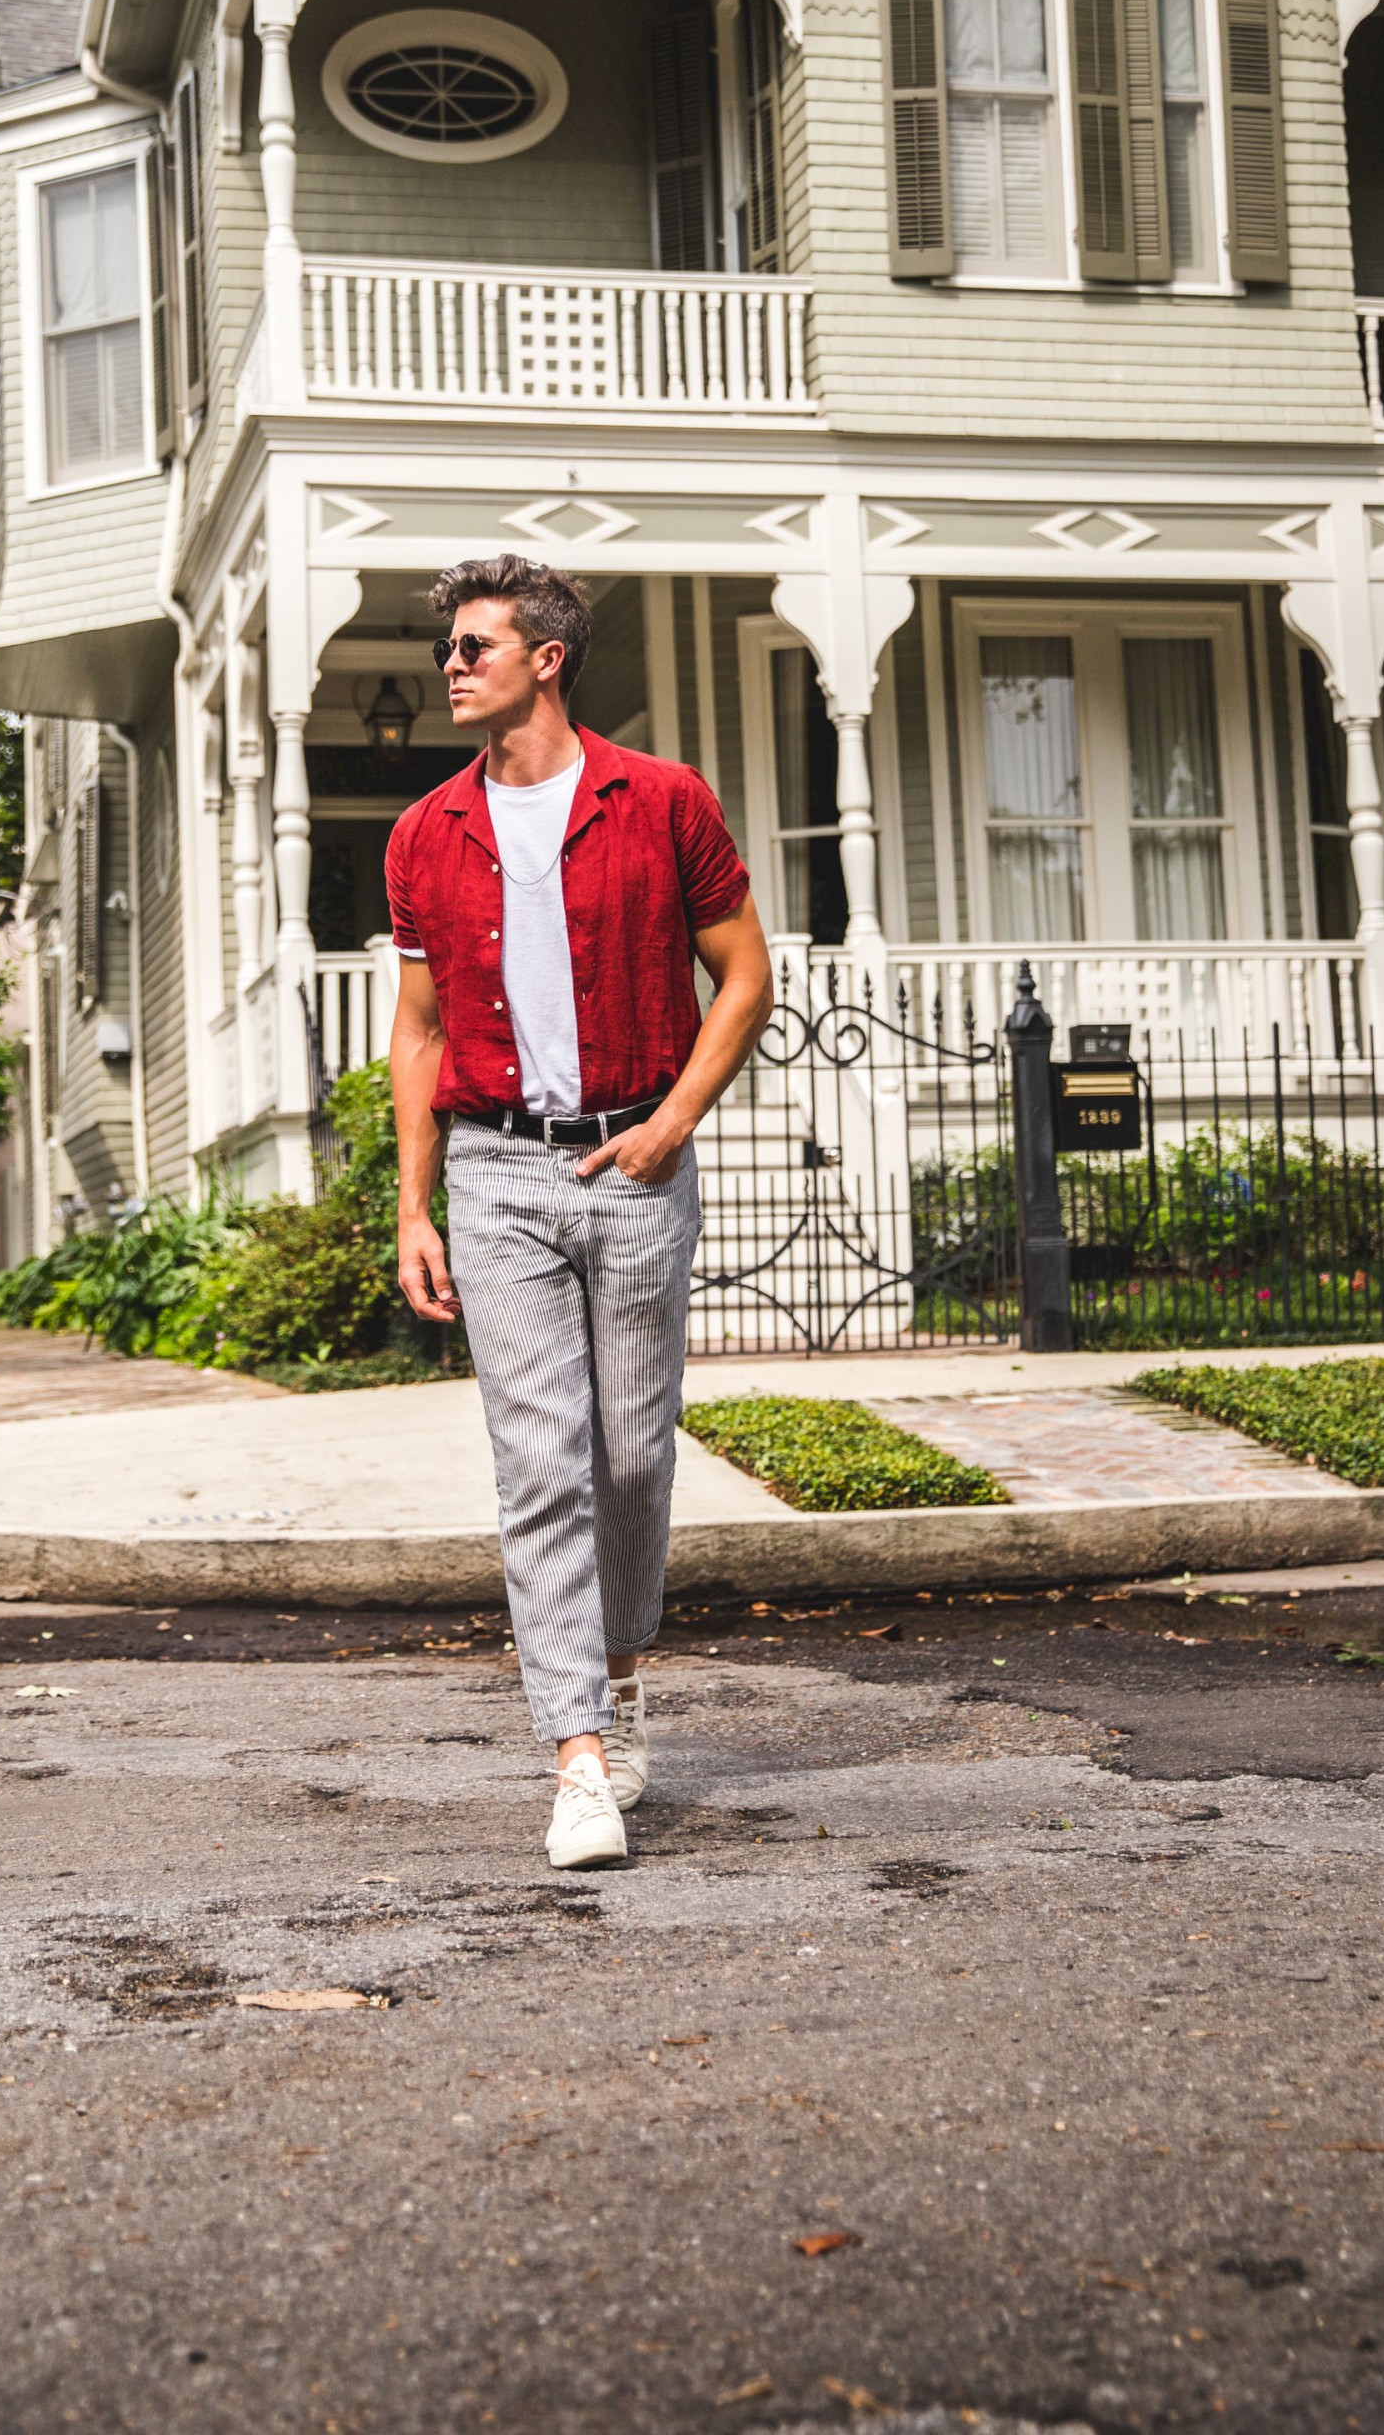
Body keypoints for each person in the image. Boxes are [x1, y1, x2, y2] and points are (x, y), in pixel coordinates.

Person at [387, 556, 774, 1869]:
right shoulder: (423, 834)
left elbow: (746, 974)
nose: (452, 663)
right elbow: (419, 1028)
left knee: (629, 1455)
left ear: (546, 659)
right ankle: (579, 1758)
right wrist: (413, 1203)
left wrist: (676, 1120)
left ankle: (617, 1667)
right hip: (495, 1171)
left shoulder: (660, 801)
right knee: (541, 1464)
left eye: (475, 644)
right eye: (450, 647)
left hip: (634, 1162)